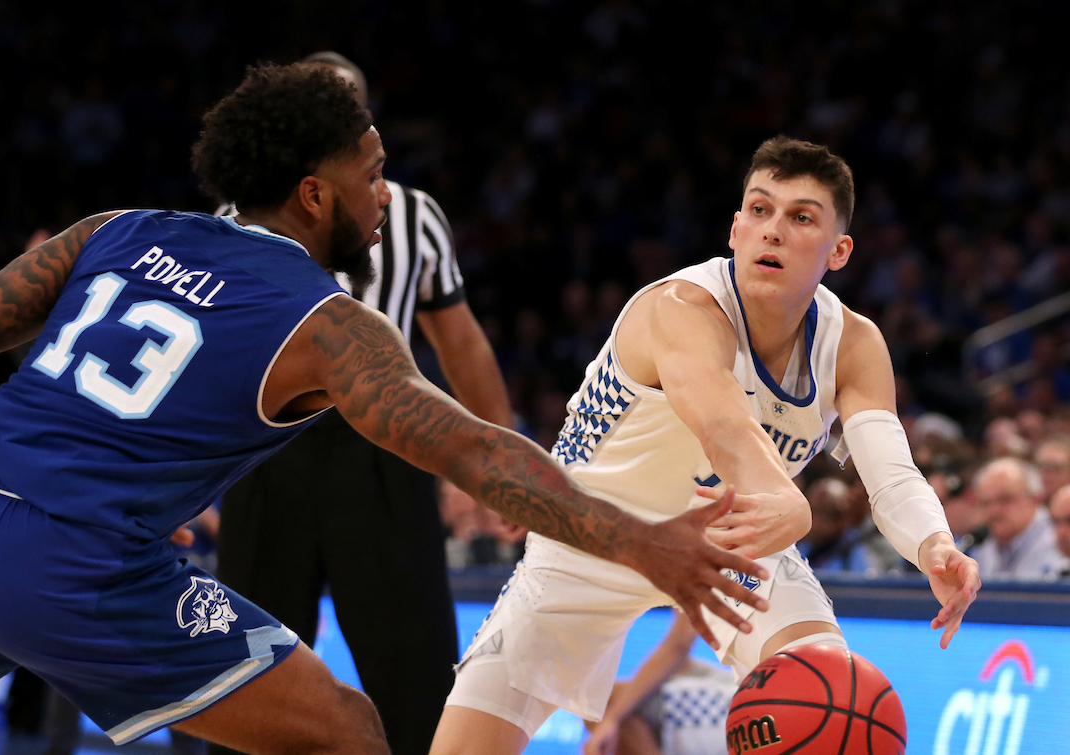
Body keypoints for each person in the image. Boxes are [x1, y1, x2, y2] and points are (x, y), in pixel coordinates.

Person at [0, 62, 768, 755]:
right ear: (314, 193)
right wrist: (641, 538)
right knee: (346, 727)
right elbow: (475, 454)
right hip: (73, 562)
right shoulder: (331, 325)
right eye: (374, 174)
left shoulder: (112, 230)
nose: (386, 194)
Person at [429, 136, 981, 755]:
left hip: (730, 542)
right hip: (590, 542)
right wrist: (786, 500)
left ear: (839, 251)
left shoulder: (853, 343)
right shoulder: (681, 308)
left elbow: (891, 471)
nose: (773, 230)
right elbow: (724, 427)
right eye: (760, 209)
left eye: (801, 217)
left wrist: (935, 544)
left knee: (831, 697)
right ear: (735, 227)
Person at [211, 52, 516, 755]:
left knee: (414, 673)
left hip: (382, 446)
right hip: (265, 447)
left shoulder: (411, 213)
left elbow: (460, 342)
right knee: (241, 670)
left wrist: (498, 464)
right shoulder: (235, 217)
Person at [583, 615, 733, 755]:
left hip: (741, 706)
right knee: (601, 707)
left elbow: (678, 646)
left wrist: (612, 718)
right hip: (742, 690)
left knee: (602, 703)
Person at [968, 457, 1069, 580]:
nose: (993, 511)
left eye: (1005, 499)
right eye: (985, 502)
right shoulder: (982, 546)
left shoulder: (1061, 539)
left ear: (1035, 498)